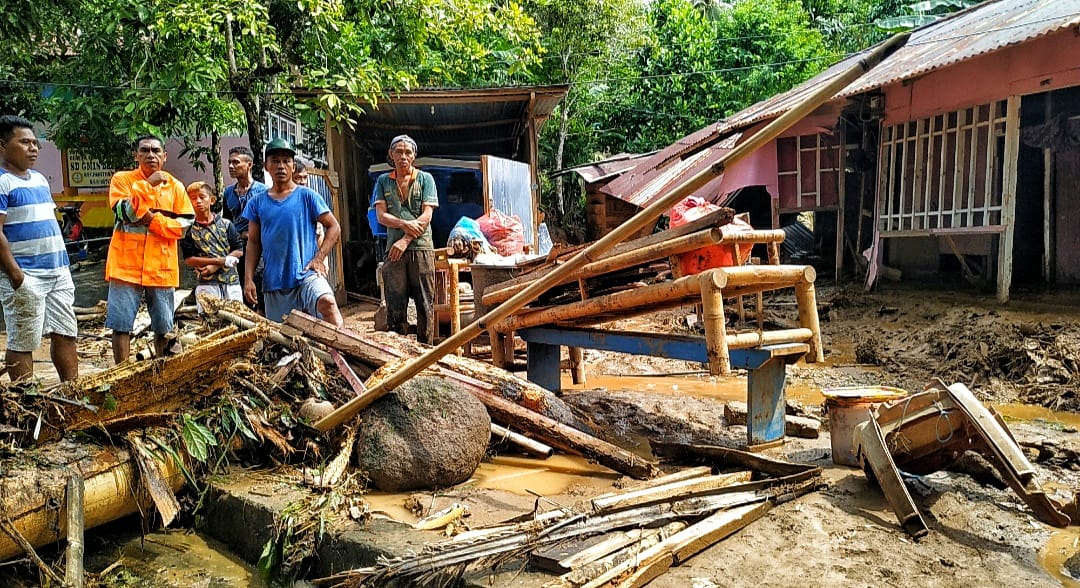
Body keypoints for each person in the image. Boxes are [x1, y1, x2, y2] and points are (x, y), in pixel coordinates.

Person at [0, 115, 78, 382]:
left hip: (58, 271)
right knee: (23, 339)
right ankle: (26, 401)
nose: (33, 148)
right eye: (24, 142)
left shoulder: (40, 180)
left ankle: (72, 391)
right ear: (2, 145)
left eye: (35, 143)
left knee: (66, 331)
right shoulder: (2, 182)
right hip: (25, 275)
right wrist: (15, 275)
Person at [105, 135, 194, 363]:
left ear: (164, 156)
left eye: (156, 150)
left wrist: (151, 220)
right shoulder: (122, 180)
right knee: (121, 325)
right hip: (126, 267)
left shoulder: (175, 187)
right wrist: (147, 185)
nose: (150, 155)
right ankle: (122, 374)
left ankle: (162, 376)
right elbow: (125, 213)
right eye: (144, 150)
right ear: (135, 155)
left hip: (162, 267)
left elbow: (184, 227)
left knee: (164, 326)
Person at [242, 138, 343, 327]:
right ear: (266, 166)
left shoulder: (308, 196)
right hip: (275, 282)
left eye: (286, 161)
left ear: (292, 166)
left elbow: (334, 227)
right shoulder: (257, 202)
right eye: (275, 161)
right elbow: (253, 243)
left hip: (307, 274)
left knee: (327, 303)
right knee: (285, 339)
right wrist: (248, 279)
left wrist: (319, 258)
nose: (281, 166)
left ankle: (347, 353)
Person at [373, 134, 438, 344]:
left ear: (414, 155)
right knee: (395, 304)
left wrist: (405, 239)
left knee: (425, 305)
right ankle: (400, 353)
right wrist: (403, 225)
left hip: (421, 249)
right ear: (391, 154)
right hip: (394, 251)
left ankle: (425, 352)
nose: (403, 156)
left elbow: (426, 216)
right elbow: (381, 216)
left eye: (408, 152)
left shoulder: (425, 179)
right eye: (398, 152)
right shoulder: (383, 181)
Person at [180, 181, 244, 311]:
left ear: (212, 200)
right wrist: (220, 261)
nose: (198, 201)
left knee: (237, 319)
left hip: (231, 282)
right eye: (193, 198)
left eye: (202, 197)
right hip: (206, 283)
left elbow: (238, 249)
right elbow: (189, 259)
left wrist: (216, 265)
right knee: (210, 320)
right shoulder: (189, 230)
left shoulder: (226, 224)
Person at [223, 145, 268, 301]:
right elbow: (227, 221)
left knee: (257, 284)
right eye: (229, 162)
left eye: (236, 162)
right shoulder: (228, 192)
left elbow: (268, 221)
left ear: (249, 165)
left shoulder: (263, 192)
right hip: (237, 248)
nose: (231, 166)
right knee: (240, 288)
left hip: (257, 247)